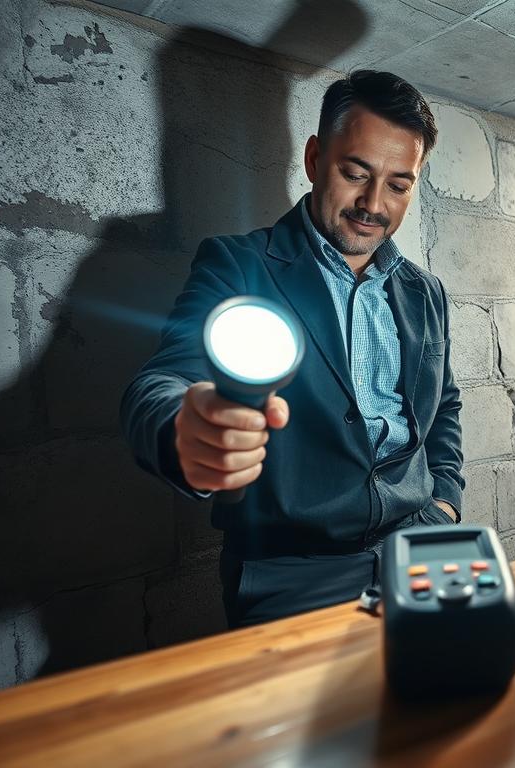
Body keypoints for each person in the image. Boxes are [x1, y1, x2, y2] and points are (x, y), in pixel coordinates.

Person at [121, 70, 462, 628]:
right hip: (290, 572)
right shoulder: (238, 265)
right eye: (356, 173)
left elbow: (443, 405)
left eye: (399, 185)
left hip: (422, 543)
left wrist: (443, 503)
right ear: (313, 159)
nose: (373, 204)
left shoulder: (426, 292)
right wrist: (181, 430)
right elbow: (163, 381)